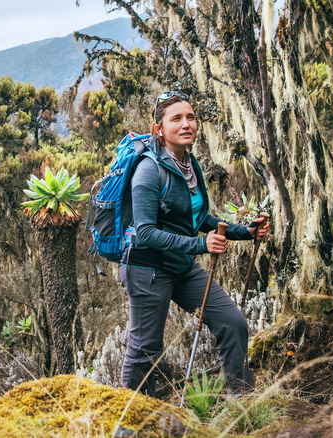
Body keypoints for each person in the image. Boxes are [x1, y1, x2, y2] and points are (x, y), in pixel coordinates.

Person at [119, 90, 270, 396]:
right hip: (147, 270)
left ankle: (242, 403)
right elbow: (146, 232)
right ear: (159, 129)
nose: (187, 124)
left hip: (181, 267)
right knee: (146, 350)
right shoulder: (149, 170)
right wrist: (201, 246)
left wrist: (246, 232)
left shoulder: (190, 163)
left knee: (232, 322)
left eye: (190, 117)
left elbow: (199, 218)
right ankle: (129, 421)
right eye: (176, 119)